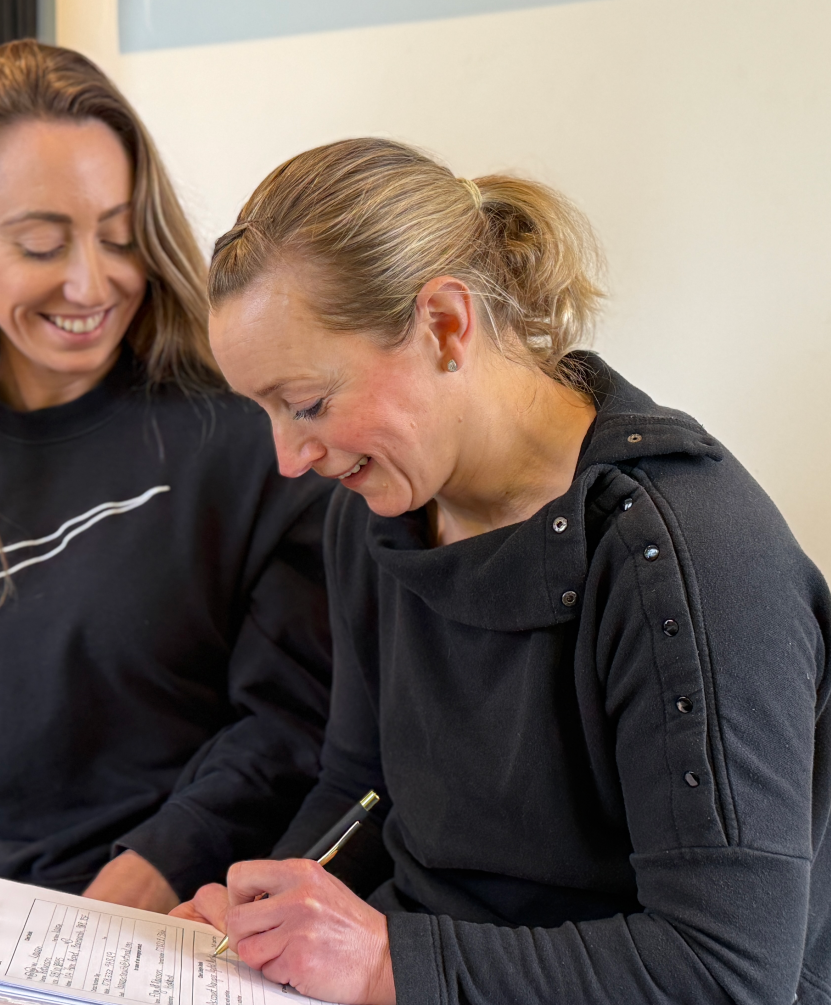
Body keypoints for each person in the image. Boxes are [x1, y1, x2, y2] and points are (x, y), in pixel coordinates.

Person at [176, 138, 831, 1005]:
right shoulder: (377, 510)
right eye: (265, 412)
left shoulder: (683, 557)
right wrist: (258, 923)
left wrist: (384, 962)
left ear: (446, 325)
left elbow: (726, 970)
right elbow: (361, 784)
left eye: (306, 405)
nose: (289, 457)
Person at [0, 42, 333, 1005]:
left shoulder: (244, 438)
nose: (91, 282)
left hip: (188, 924)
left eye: (117, 232)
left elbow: (287, 722)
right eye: (40, 241)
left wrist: (119, 902)